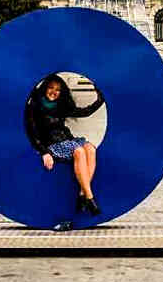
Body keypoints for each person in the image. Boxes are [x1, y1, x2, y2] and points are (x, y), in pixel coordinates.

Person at [23, 73, 105, 218]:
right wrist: (44, 152)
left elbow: (84, 112)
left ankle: (82, 194)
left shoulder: (60, 105)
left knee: (90, 149)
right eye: (51, 88)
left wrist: (100, 99)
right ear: (44, 88)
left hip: (67, 140)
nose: (54, 92)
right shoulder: (34, 107)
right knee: (79, 151)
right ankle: (90, 198)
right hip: (52, 145)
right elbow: (32, 133)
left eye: (58, 90)